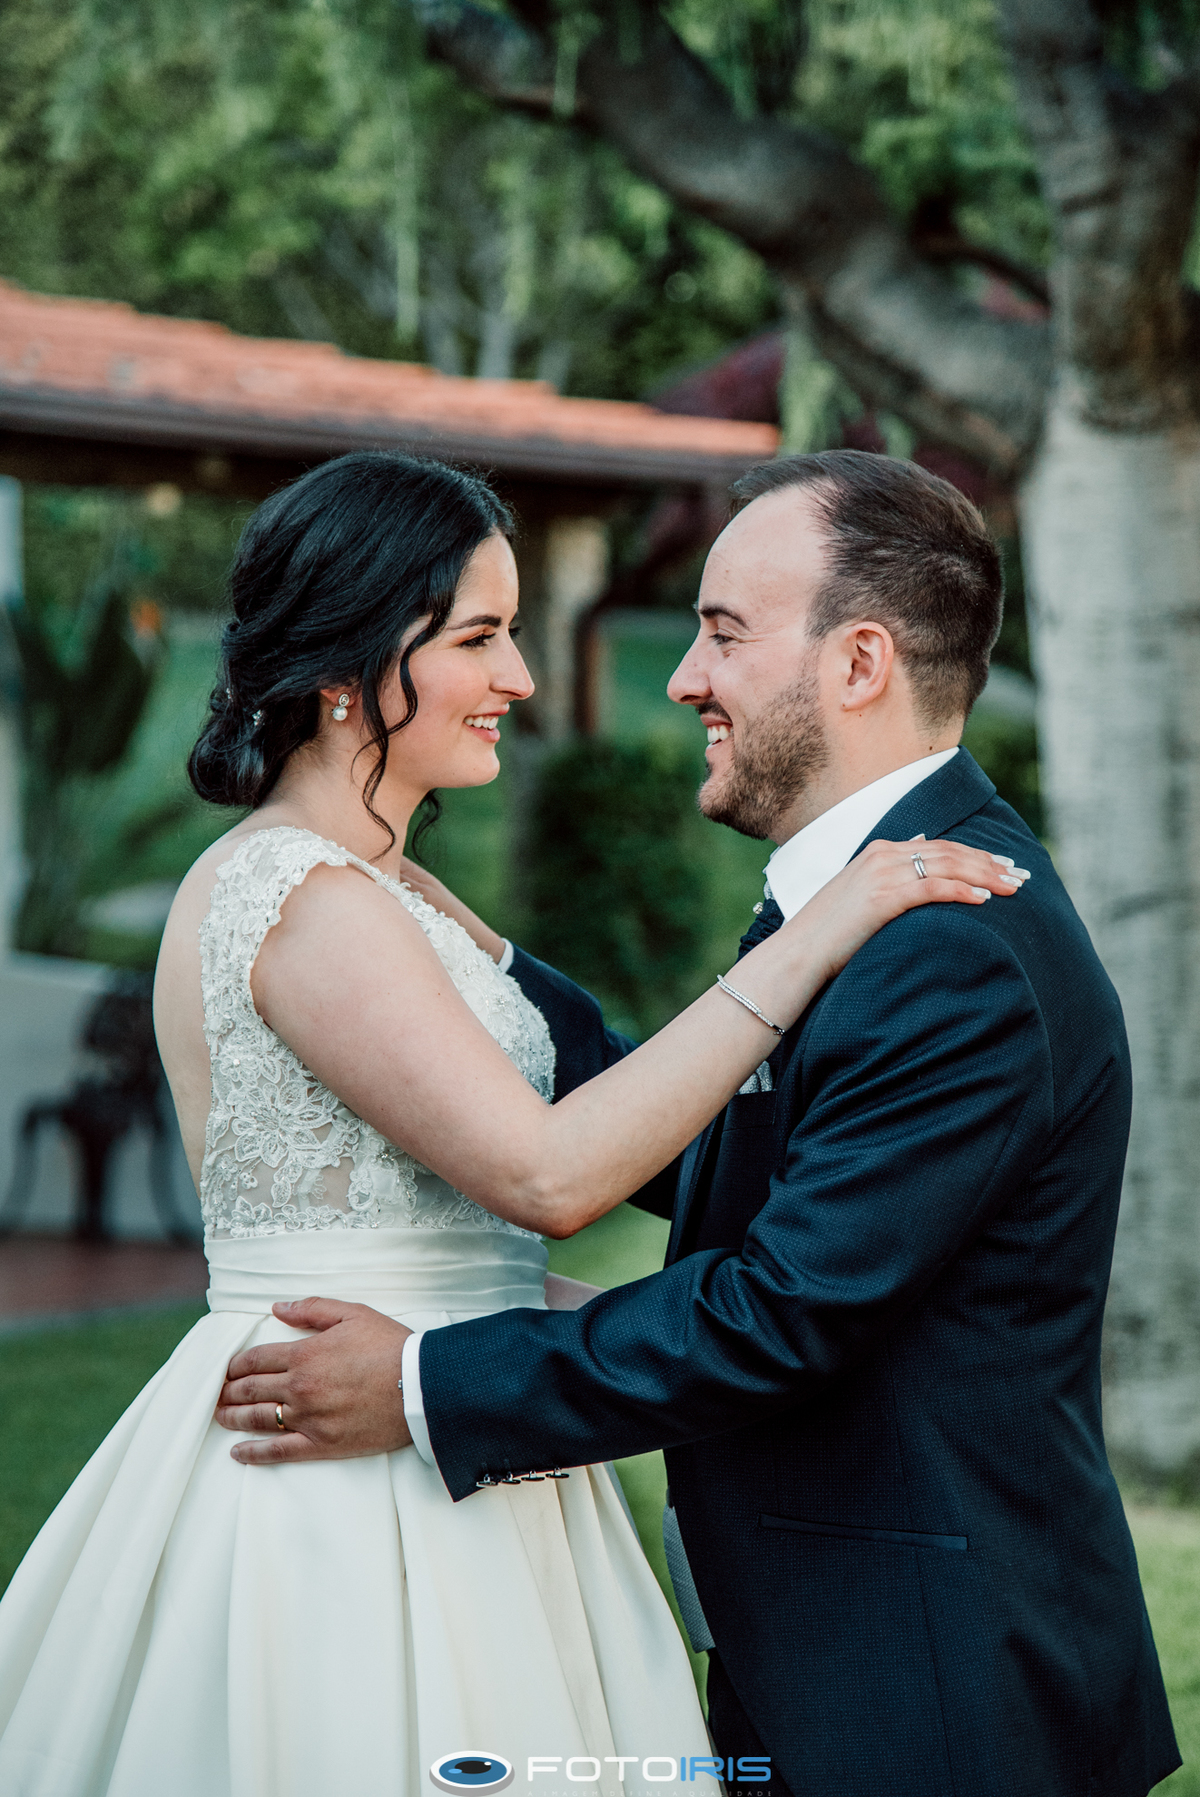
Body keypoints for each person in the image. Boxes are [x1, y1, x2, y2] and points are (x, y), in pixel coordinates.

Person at [0, 451, 1015, 1797]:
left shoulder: (392, 889)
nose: (522, 679)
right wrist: (821, 931)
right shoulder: (298, 893)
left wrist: (522, 1299)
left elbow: (532, 1126)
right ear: (353, 664)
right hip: (340, 1476)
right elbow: (549, 1167)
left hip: (464, 1437)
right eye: (481, 636)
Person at [217, 452, 1180, 1797]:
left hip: (934, 1699)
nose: (685, 679)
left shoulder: (946, 940)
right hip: (849, 1665)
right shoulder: (858, 901)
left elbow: (775, 1311)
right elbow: (696, 1134)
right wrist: (404, 907)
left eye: (724, 632)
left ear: (858, 664)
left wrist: (428, 1380)